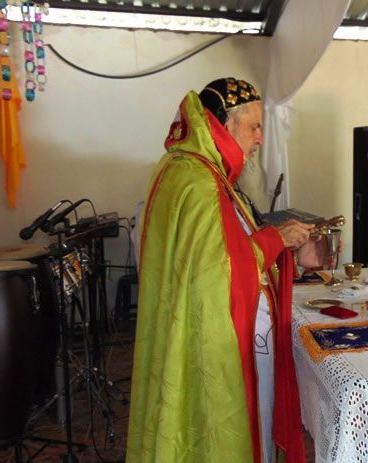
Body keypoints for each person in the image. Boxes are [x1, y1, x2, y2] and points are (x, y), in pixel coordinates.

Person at [127, 78, 329, 463]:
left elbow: (227, 251)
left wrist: (288, 254)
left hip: (232, 334)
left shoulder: (204, 173)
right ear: (225, 124)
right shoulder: (197, 180)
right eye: (254, 127)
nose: (259, 139)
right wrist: (275, 239)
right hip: (222, 347)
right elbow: (215, 274)